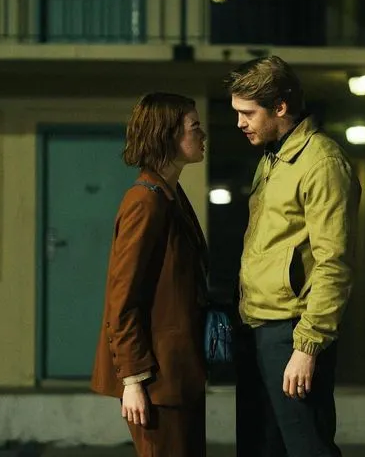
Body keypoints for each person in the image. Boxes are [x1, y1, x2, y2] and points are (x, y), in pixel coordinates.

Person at [227, 56, 361, 457]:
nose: (240, 123)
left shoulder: (322, 162)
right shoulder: (274, 157)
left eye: (248, 113)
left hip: (291, 332)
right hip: (259, 324)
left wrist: (307, 346)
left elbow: (334, 263)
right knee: (262, 447)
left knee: (307, 447)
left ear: (280, 107)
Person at [91, 92, 209, 457]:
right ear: (168, 135)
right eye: (194, 127)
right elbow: (122, 299)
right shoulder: (145, 202)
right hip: (157, 379)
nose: (203, 134)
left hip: (178, 374)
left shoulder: (170, 195)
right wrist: (133, 379)